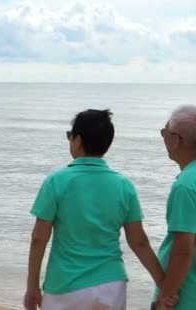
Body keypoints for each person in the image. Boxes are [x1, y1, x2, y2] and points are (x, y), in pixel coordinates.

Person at [24, 109, 165, 310]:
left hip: (65, 285)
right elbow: (139, 242)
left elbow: (39, 238)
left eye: (69, 136)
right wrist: (164, 286)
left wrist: (32, 287)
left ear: (77, 140)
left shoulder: (56, 181)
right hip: (111, 283)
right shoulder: (124, 185)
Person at [154, 105, 196, 310]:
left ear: (176, 139)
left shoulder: (186, 186)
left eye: (164, 132)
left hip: (186, 296)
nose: (162, 138)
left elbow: (183, 249)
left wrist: (166, 296)